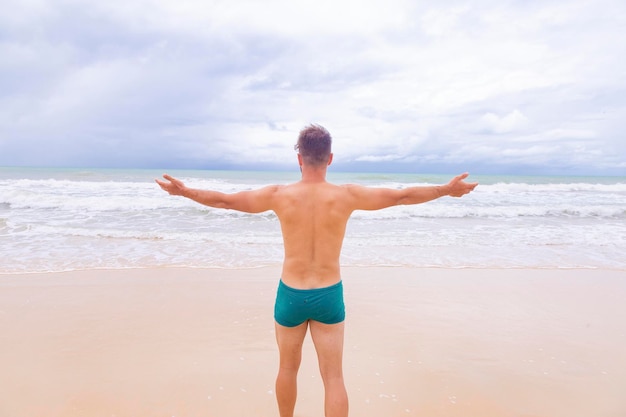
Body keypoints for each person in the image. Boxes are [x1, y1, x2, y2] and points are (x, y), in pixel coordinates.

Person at [155, 124, 478, 417]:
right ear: (330, 158)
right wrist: (445, 190)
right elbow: (402, 197)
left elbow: (226, 202)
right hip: (328, 294)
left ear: (299, 159)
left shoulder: (278, 196)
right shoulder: (347, 196)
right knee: (334, 376)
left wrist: (184, 192)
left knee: (287, 368)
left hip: (291, 294)